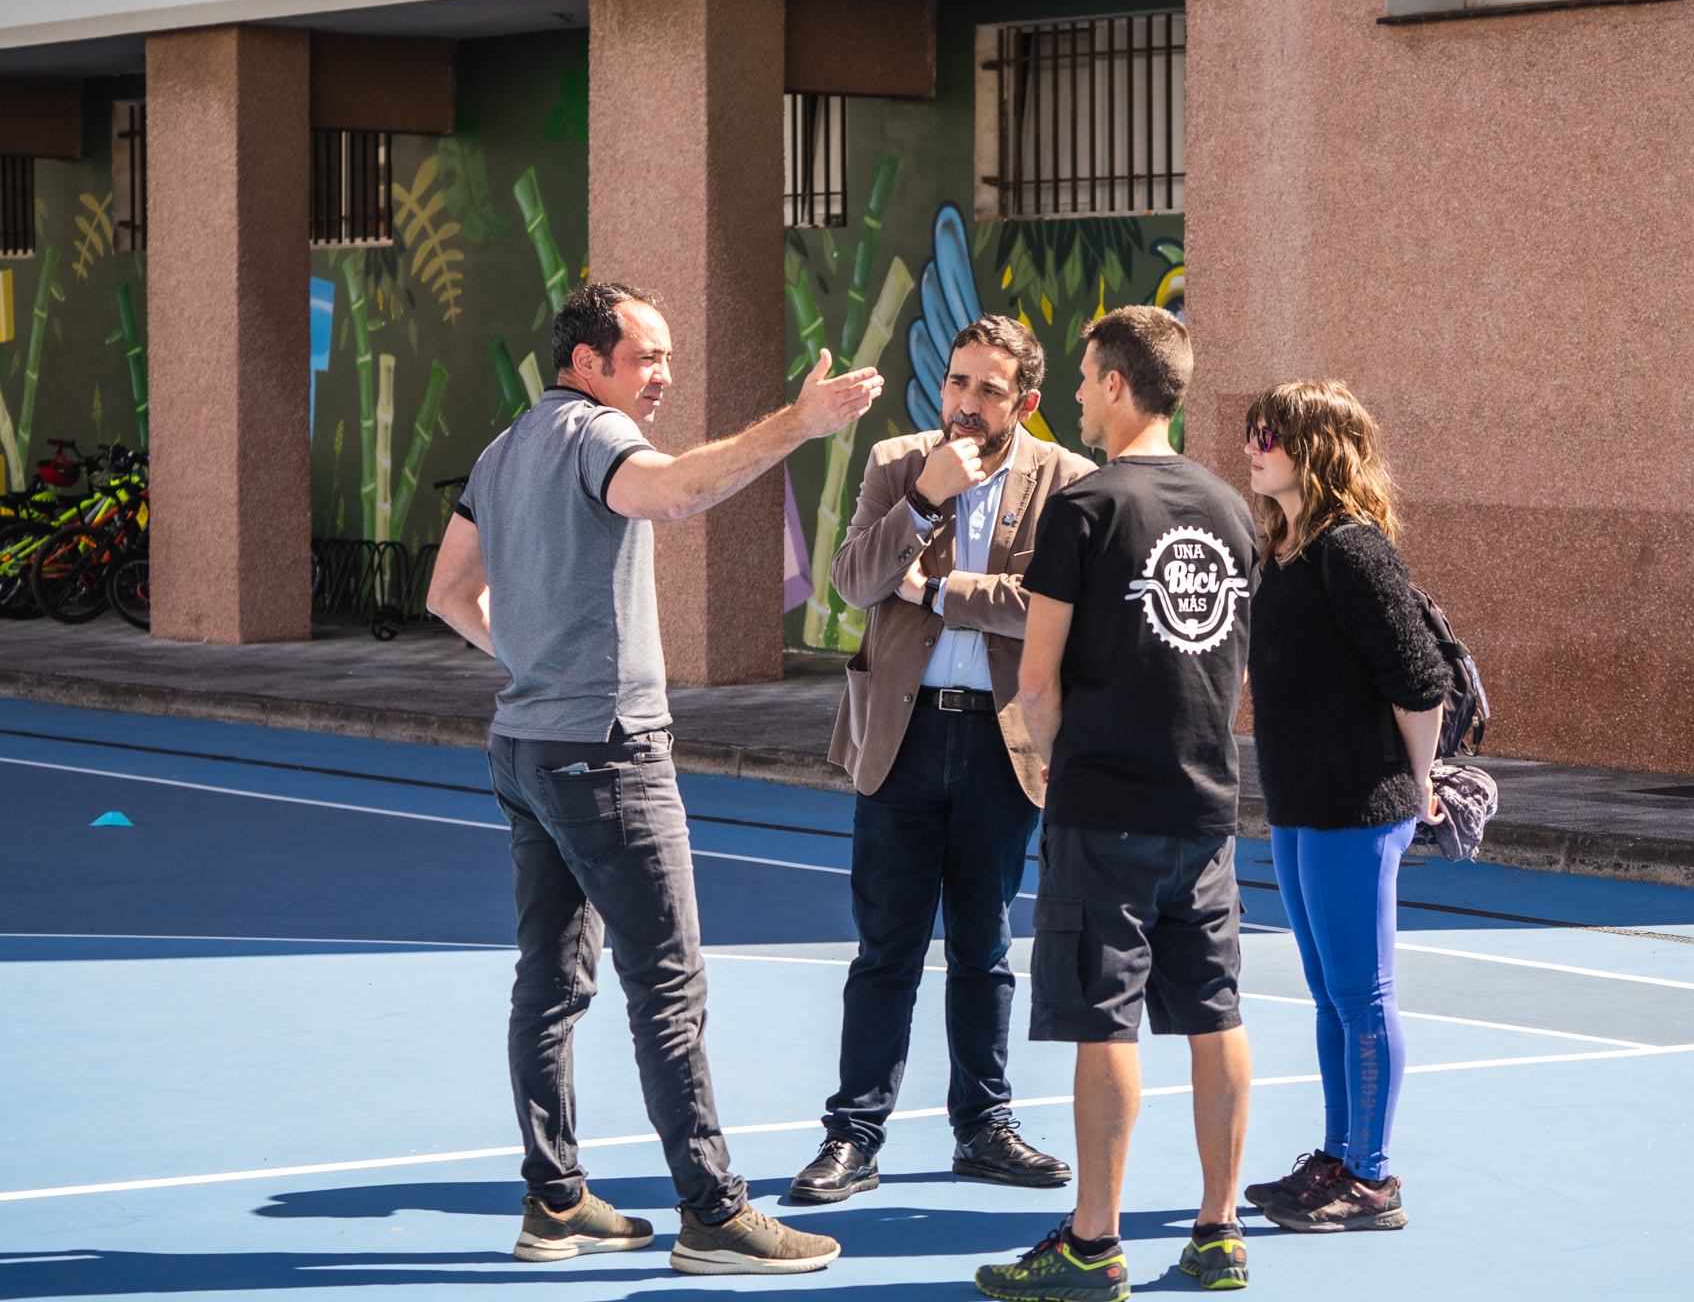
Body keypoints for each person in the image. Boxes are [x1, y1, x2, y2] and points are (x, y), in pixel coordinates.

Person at [426, 282, 883, 1276]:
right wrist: (800, 424)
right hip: (605, 750)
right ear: (585, 364)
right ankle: (712, 1214)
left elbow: (447, 590)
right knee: (666, 988)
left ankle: (553, 1202)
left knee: (548, 984)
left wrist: (531, 666)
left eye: (668, 357)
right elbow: (673, 491)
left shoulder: (501, 452)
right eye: (646, 358)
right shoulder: (595, 438)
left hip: (526, 748)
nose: (664, 375)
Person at [975, 306, 1258, 1302]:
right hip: (1205, 807)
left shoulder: (1084, 509)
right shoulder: (1229, 510)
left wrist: (1048, 770)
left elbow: (1038, 682)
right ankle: (1218, 1234)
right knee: (1214, 1014)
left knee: (1107, 1024)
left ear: (1111, 384)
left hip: (1106, 807)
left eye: (1088, 377)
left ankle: (1092, 1246)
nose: (1082, 399)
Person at [792, 315, 1094, 1202]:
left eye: (988, 389)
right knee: (884, 948)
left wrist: (933, 590)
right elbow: (851, 580)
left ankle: (983, 1127)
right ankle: (853, 1135)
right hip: (904, 734)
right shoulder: (898, 462)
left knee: (985, 947)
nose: (965, 402)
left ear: (1026, 403)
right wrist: (922, 501)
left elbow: (1045, 607)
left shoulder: (1067, 481)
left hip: (1004, 741)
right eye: (957, 382)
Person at [1235, 379, 1451, 1235]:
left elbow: (1419, 677)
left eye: (1269, 434)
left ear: (1315, 448)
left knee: (1363, 995)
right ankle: (1338, 1155)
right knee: (1329, 996)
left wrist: (1422, 781)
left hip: (1358, 806)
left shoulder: (1352, 551)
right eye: (1252, 431)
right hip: (1298, 804)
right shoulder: (1281, 550)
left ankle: (1372, 1178)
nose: (1252, 446)